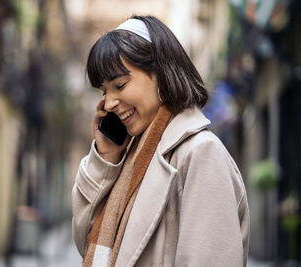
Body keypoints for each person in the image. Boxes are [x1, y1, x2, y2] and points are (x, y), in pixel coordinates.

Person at [71, 15, 249, 267]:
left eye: (120, 85)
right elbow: (86, 242)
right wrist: (105, 160)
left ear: (161, 72)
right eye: (104, 91)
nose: (108, 103)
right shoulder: (132, 156)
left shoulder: (200, 154)